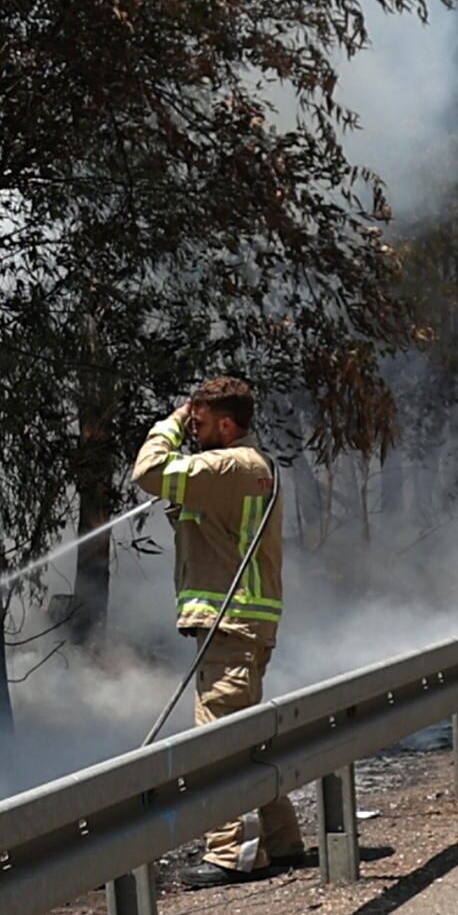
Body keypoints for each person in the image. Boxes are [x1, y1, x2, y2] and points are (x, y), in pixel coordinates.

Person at [128, 375, 307, 876]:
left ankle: (231, 853)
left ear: (227, 425)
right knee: (248, 738)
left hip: (231, 623)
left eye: (201, 423)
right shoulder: (250, 466)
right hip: (245, 620)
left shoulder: (227, 465)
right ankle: (283, 840)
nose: (193, 431)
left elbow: (149, 469)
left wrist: (172, 420)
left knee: (218, 740)